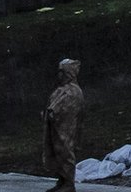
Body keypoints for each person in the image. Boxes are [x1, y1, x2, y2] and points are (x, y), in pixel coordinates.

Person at [42, 58, 83, 192]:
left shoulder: (73, 91)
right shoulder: (62, 90)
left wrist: (54, 113)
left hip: (65, 129)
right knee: (56, 153)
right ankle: (62, 180)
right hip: (56, 128)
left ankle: (68, 183)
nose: (59, 75)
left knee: (65, 153)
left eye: (62, 72)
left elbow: (66, 109)